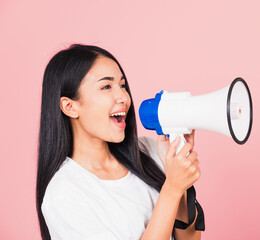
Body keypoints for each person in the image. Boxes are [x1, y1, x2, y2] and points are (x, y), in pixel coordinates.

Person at [36, 44, 204, 240]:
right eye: (106, 86)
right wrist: (172, 188)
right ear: (70, 107)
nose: (124, 97)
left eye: (122, 85)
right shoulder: (64, 194)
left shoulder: (148, 151)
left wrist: (180, 184)